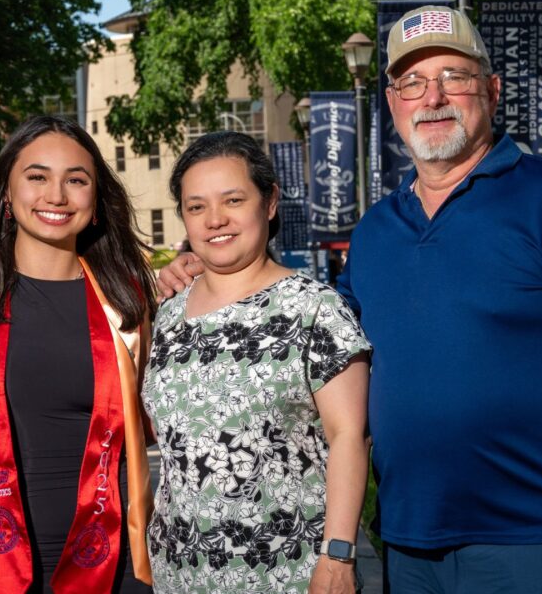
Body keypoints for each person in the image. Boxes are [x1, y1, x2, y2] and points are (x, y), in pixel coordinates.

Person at [158, 7, 542, 594]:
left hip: (539, 536)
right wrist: (207, 268)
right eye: (412, 83)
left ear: (492, 91)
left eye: (454, 76)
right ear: (393, 103)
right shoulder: (375, 232)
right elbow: (315, 338)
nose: (433, 97)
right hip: (406, 538)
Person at [0, 115, 157, 594]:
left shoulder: (128, 302)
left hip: (114, 556)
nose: (56, 195)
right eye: (37, 176)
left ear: (97, 200)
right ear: (6, 191)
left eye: (76, 180)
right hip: (1, 554)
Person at [144, 131, 371, 593]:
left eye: (232, 200)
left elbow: (351, 435)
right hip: (182, 573)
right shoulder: (167, 312)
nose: (215, 220)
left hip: (288, 571)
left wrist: (339, 554)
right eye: (196, 207)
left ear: (269, 203)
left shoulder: (313, 308)